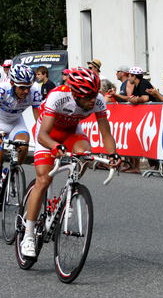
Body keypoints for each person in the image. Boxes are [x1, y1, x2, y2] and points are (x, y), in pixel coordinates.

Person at [20, 67, 120, 257]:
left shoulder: (97, 101)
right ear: (75, 94)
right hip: (48, 135)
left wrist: (113, 155)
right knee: (43, 180)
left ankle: (69, 192)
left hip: (71, 133)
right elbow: (43, 134)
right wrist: (54, 147)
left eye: (94, 95)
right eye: (88, 96)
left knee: (84, 154)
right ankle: (29, 234)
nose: (93, 100)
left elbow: (105, 133)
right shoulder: (57, 97)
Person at [0, 64, 41, 223]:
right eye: (22, 88)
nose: (26, 91)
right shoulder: (2, 89)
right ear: (13, 83)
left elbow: (39, 119)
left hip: (16, 123)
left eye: (28, 87)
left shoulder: (34, 91)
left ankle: (11, 172)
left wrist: (43, 138)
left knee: (24, 145)